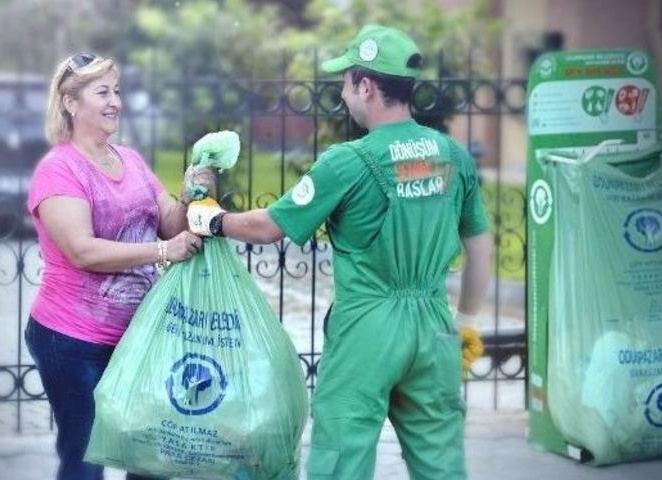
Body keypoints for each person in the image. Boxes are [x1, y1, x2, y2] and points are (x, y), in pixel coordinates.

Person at [187, 25, 492, 480]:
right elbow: (481, 245)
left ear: (366, 86)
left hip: (367, 327)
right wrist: (465, 321)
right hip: (434, 326)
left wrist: (211, 220)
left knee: (341, 460)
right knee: (442, 462)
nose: (343, 94)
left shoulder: (348, 161)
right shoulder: (452, 155)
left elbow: (270, 226)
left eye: (345, 83)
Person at [25, 52, 211, 480]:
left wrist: (190, 194)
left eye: (118, 91)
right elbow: (82, 251)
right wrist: (163, 253)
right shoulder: (59, 169)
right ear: (70, 102)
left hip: (137, 338)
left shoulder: (130, 160)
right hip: (71, 339)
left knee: (148, 456)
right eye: (102, 91)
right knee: (87, 455)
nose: (116, 102)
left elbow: (169, 224)